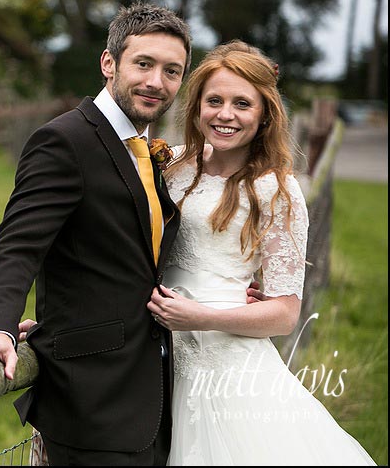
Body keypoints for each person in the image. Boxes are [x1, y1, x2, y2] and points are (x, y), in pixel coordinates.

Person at [0, 0, 191, 465]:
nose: (156, 81)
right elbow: (17, 246)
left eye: (172, 71)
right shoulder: (64, 141)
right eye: (144, 64)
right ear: (109, 63)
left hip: (152, 393)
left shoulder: (144, 148)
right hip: (90, 400)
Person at [146, 40, 377, 465]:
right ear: (196, 106)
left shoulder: (276, 190)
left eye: (242, 104)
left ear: (264, 113)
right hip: (155, 356)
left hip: (224, 364)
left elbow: (285, 314)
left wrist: (202, 317)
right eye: (214, 101)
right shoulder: (173, 165)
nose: (225, 114)